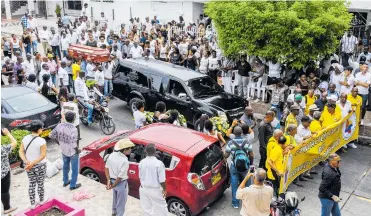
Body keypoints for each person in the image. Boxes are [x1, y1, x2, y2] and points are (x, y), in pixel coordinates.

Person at [19, 120, 47, 209]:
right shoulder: (41, 141)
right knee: (40, 183)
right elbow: (43, 155)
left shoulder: (25, 138)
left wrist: (26, 161)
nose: (42, 129)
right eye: (42, 128)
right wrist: (33, 163)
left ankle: (32, 204)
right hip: (40, 166)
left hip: (27, 165)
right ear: (38, 130)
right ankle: (41, 200)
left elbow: (21, 151)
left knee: (31, 183)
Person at [49, 112, 81, 190]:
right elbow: (73, 143)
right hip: (72, 152)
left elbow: (51, 135)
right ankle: (72, 185)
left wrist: (58, 143)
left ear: (65, 118)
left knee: (65, 166)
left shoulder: (59, 125)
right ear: (73, 119)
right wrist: (78, 150)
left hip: (64, 150)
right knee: (75, 169)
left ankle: (65, 181)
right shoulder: (74, 129)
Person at [224, 126, 254, 208]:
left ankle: (235, 203)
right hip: (245, 166)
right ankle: (248, 202)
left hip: (234, 166)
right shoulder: (247, 142)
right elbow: (251, 154)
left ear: (234, 133)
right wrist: (251, 165)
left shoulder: (230, 143)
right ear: (241, 133)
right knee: (248, 184)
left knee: (234, 184)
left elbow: (226, 155)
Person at [105, 139, 134, 216]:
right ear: (124, 150)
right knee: (121, 204)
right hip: (120, 183)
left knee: (115, 200)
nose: (131, 150)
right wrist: (113, 185)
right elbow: (120, 176)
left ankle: (114, 213)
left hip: (112, 180)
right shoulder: (125, 161)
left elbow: (106, 168)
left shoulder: (112, 155)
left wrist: (108, 181)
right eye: (129, 148)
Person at [139, 144, 168, 216]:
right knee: (162, 209)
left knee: (147, 210)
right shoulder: (159, 163)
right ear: (155, 151)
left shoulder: (142, 162)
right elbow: (162, 180)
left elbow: (140, 176)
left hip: (143, 189)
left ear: (146, 151)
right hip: (155, 190)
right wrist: (164, 189)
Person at [1, 128, 18, 214]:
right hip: (3, 173)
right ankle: (7, 208)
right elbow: (15, 143)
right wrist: (7, 133)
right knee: (4, 191)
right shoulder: (2, 149)